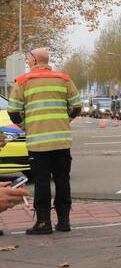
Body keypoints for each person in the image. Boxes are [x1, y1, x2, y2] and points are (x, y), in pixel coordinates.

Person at [7, 48, 81, 234]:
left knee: (42, 182)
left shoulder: (23, 82)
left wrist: (26, 126)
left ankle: (43, 223)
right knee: (62, 180)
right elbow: (76, 106)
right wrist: (66, 121)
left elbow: (13, 111)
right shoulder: (64, 79)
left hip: (38, 143)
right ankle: (64, 222)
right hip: (62, 141)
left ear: (32, 60)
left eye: (28, 58)